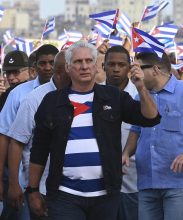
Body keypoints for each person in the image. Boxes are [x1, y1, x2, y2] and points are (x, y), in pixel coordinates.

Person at [27, 41, 160, 220]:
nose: (84, 66)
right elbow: (39, 150)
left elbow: (151, 118)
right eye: (78, 62)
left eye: (89, 61)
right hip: (64, 196)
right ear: (68, 67)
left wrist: (141, 87)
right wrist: (33, 190)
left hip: (105, 196)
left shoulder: (113, 97)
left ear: (97, 65)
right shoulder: (52, 101)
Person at [122, 52, 183, 220]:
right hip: (146, 182)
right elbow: (136, 129)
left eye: (138, 68)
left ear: (155, 69)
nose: (134, 73)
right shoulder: (140, 96)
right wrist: (126, 153)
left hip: (179, 183)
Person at [6, 51, 70, 220]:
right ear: (59, 71)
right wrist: (14, 184)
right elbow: (16, 142)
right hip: (42, 189)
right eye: (70, 68)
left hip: (78, 189)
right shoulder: (34, 99)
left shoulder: (86, 95)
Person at [103, 45, 139, 220]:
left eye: (121, 64)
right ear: (103, 66)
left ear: (129, 67)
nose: (116, 69)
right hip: (99, 186)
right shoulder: (92, 96)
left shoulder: (140, 97)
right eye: (111, 64)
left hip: (132, 185)